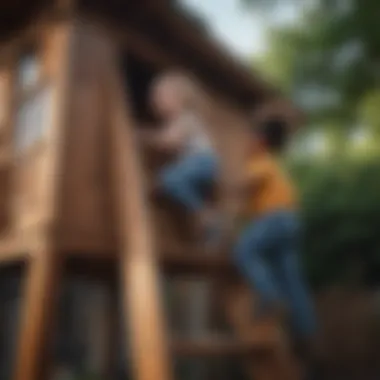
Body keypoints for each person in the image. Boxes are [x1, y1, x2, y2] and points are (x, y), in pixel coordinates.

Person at [232, 115, 316, 359]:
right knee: (290, 276)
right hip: (290, 221)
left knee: (244, 251)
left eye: (248, 138)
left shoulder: (261, 161)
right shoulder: (274, 165)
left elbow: (246, 186)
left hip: (276, 219)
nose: (244, 144)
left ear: (260, 141)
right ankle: (306, 330)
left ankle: (269, 294)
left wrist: (225, 187)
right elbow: (247, 208)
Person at [141, 71, 220, 247]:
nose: (155, 101)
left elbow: (169, 142)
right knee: (171, 182)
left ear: (179, 98)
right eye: (154, 97)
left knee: (169, 179)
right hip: (202, 163)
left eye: (161, 96)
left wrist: (142, 136)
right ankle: (210, 229)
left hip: (202, 162)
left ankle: (203, 215)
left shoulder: (185, 118)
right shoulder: (181, 120)